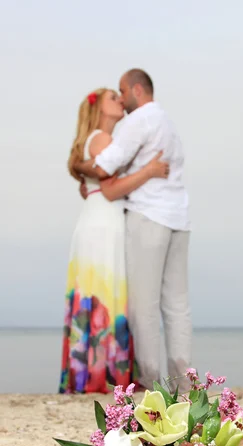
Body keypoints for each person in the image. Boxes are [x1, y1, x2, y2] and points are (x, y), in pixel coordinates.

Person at [76, 69, 192, 391]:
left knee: (144, 305)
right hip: (179, 218)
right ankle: (183, 385)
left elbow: (102, 166)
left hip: (149, 218)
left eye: (123, 91)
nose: (122, 97)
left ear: (137, 91)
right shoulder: (168, 123)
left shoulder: (138, 120)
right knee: (177, 306)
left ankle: (149, 382)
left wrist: (79, 167)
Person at [60, 87, 169, 393]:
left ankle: (90, 374)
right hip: (104, 221)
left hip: (94, 218)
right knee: (109, 293)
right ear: (98, 109)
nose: (120, 101)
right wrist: (149, 171)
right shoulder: (103, 140)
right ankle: (108, 377)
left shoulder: (92, 140)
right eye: (113, 97)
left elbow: (98, 181)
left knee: (96, 293)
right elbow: (112, 188)